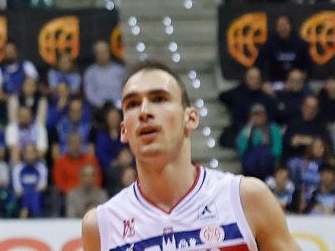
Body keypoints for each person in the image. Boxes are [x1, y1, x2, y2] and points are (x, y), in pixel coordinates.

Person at [87, 62, 292, 251]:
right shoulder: (101, 225)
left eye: (159, 99)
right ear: (123, 130)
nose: (144, 111)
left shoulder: (246, 198)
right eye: (132, 104)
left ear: (191, 118)